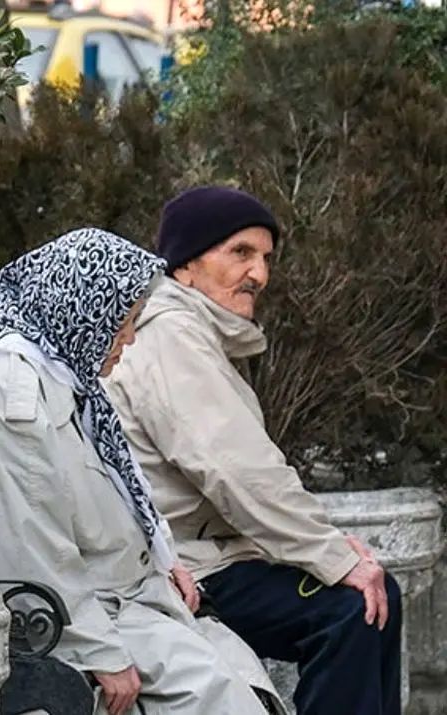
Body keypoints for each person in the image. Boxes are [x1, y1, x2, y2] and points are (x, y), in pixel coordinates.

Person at [0, 228, 272, 715]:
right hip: (66, 620)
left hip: (113, 599)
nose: (129, 339)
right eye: (123, 322)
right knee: (223, 695)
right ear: (82, 312)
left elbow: (111, 494)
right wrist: (99, 651)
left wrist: (164, 559)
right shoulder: (5, 399)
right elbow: (25, 549)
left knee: (244, 678)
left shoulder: (56, 372)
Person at [105, 186, 402, 715]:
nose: (259, 274)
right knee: (351, 607)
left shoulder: (194, 332)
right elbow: (238, 471)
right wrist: (333, 557)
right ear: (184, 266)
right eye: (240, 252)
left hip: (212, 557)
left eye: (266, 258)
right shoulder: (173, 337)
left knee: (371, 600)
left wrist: (332, 549)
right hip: (184, 570)